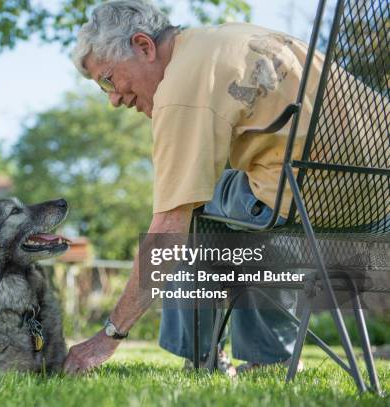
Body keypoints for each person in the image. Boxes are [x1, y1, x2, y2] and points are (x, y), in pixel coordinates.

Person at [62, 0, 335, 374]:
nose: (113, 99)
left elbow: (167, 232)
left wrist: (107, 337)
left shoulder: (182, 86)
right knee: (233, 200)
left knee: (189, 208)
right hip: (370, 198)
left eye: (108, 80)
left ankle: (202, 356)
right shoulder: (234, 36)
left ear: (144, 46)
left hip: (307, 201)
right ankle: (269, 356)